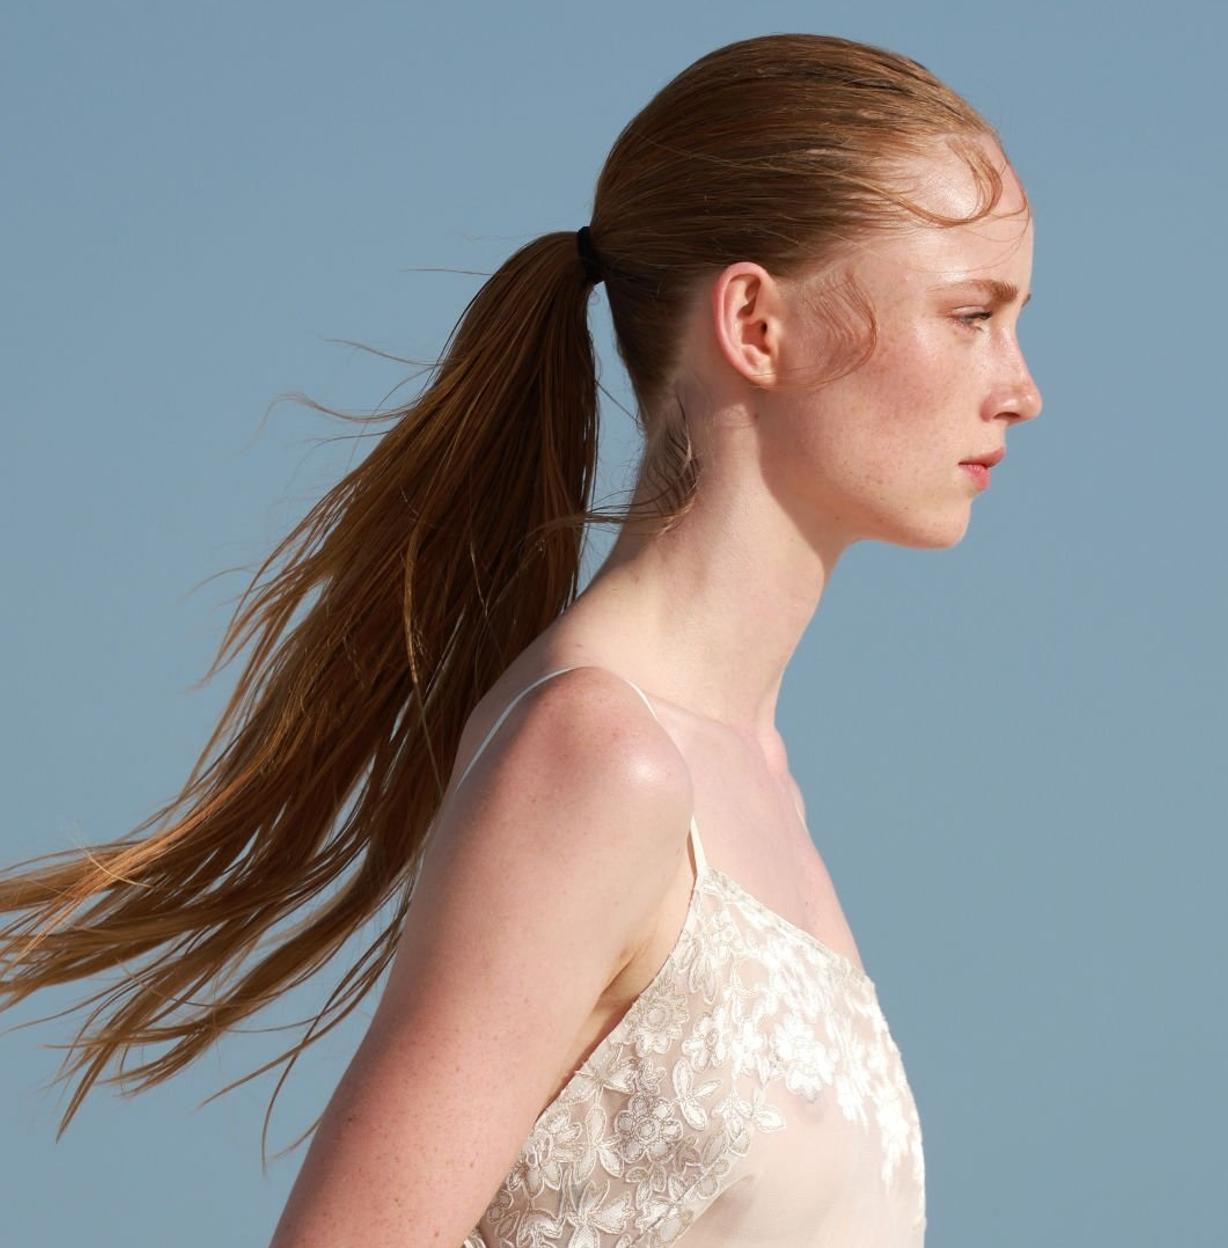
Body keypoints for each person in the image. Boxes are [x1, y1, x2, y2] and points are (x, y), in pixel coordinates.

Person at [0, 30, 1041, 1248]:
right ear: (756, 325)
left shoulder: (753, 781)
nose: (1021, 386)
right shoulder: (600, 761)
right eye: (972, 313)